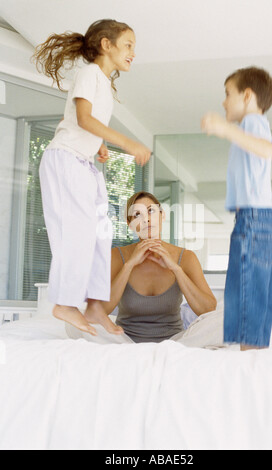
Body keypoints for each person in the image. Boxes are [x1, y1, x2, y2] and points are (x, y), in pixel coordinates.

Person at [33, 19, 151, 336]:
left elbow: (73, 118)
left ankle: (96, 304)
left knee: (100, 232)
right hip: (66, 159)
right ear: (105, 44)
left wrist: (97, 143)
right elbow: (83, 118)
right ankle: (65, 303)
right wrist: (127, 143)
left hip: (82, 162)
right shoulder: (89, 74)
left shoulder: (102, 83)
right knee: (78, 231)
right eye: (128, 45)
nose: (133, 53)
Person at [66, 191, 218, 346]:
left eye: (151, 211)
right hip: (126, 342)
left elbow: (208, 310)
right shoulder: (117, 256)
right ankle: (135, 354)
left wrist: (176, 269)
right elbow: (100, 310)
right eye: (137, 214)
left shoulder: (186, 257)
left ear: (162, 215)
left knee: (223, 320)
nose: (146, 219)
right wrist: (129, 265)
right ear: (130, 223)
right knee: (74, 323)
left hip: (174, 343)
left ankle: (164, 352)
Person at [201, 66, 272, 351]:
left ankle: (248, 359)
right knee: (253, 293)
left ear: (247, 96)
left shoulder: (252, 122)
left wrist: (225, 129)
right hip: (259, 218)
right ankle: (251, 353)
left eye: (227, 94)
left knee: (247, 293)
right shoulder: (252, 125)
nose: (223, 101)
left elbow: (266, 150)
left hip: (254, 218)